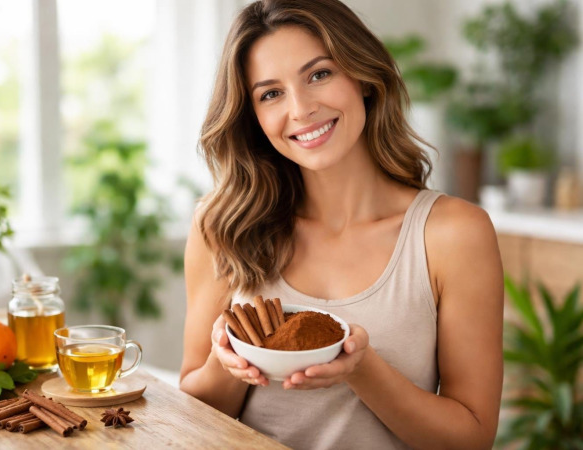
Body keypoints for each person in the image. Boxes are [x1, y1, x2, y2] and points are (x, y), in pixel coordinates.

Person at [179, 0, 504, 448]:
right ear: (253, 117)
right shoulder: (223, 225)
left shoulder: (453, 234)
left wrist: (361, 368)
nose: (301, 108)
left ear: (364, 78)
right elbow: (195, 411)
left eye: (319, 74)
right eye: (270, 93)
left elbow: (472, 439)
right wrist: (230, 360)